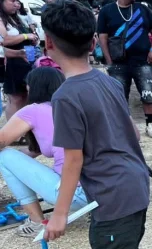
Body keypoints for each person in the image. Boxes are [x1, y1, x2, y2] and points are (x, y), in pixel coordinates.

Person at [42, 0, 151, 249]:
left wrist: (59, 214)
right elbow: (133, 133)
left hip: (113, 192)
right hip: (133, 183)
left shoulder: (65, 97)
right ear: (93, 43)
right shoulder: (107, 81)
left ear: (48, 44)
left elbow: (73, 160)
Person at [0, 67, 88, 237]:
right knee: (12, 159)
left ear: (33, 87)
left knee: (4, 156)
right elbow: (32, 152)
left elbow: (1, 141)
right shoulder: (73, 106)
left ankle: (36, 222)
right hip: (101, 190)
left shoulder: (34, 110)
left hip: (73, 193)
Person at [97, 0, 152, 138]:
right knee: (119, 95)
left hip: (143, 60)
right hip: (118, 62)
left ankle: (150, 124)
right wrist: (108, 60)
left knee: (147, 94)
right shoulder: (107, 11)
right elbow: (102, 37)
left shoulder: (142, 9)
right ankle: (124, 126)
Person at [0, 0, 39, 119]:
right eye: (12, 1)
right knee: (15, 98)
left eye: (17, 1)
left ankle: (22, 126)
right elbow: (4, 40)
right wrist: (25, 36)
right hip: (11, 64)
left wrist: (33, 39)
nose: (16, 4)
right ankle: (13, 128)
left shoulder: (15, 18)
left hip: (25, 61)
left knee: (25, 96)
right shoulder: (1, 19)